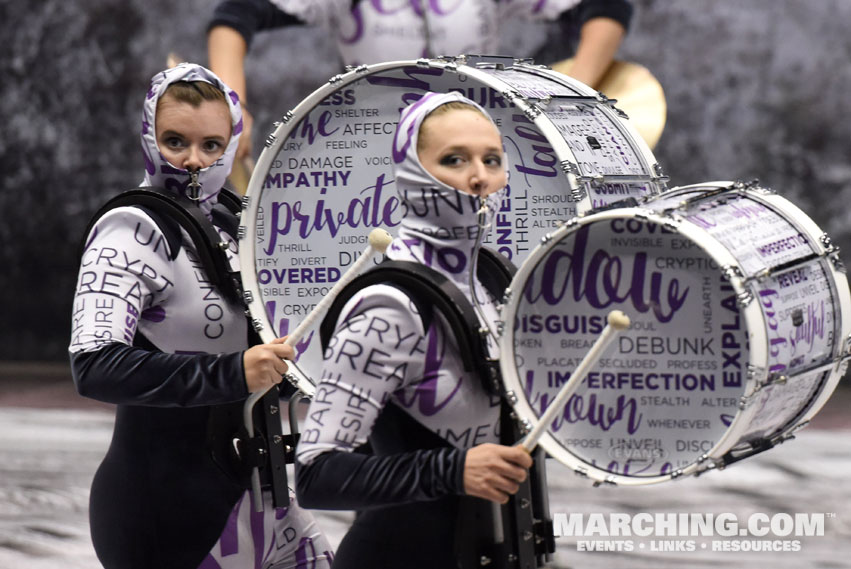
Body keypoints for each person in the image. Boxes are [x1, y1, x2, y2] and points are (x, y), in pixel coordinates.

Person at [68, 63, 333, 569]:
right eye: (175, 141)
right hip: (165, 515)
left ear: (232, 142)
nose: (193, 161)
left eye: (212, 146)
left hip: (261, 498)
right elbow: (94, 365)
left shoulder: (237, 222)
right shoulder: (128, 232)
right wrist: (232, 372)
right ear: (149, 137)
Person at [294, 91, 536, 568]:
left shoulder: (495, 278)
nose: (479, 177)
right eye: (454, 159)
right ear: (411, 171)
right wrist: (452, 469)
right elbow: (316, 474)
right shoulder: (388, 306)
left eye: (492, 159)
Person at [207, 0, 633, 163]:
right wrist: (231, 103)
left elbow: (607, 6)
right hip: (372, 151)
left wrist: (567, 94)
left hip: (480, 147)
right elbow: (236, 15)